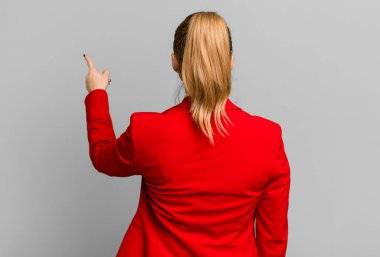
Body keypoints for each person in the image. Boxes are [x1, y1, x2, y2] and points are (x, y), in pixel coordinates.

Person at [83, 11, 291, 257]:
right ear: (230, 60)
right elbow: (273, 243)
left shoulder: (147, 131)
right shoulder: (267, 139)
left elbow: (102, 156)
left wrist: (97, 93)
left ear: (175, 62)